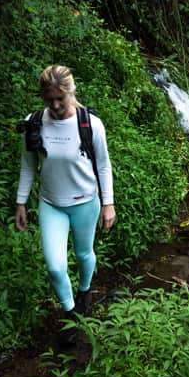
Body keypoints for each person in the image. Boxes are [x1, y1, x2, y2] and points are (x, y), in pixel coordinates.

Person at [15, 65, 115, 345]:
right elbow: (28, 166)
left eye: (61, 98)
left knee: (84, 254)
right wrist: (20, 202)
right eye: (50, 100)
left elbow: (104, 166)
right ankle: (71, 313)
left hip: (86, 202)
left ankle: (85, 292)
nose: (56, 105)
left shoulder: (90, 124)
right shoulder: (34, 123)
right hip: (51, 204)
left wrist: (109, 203)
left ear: (71, 92)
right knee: (55, 267)